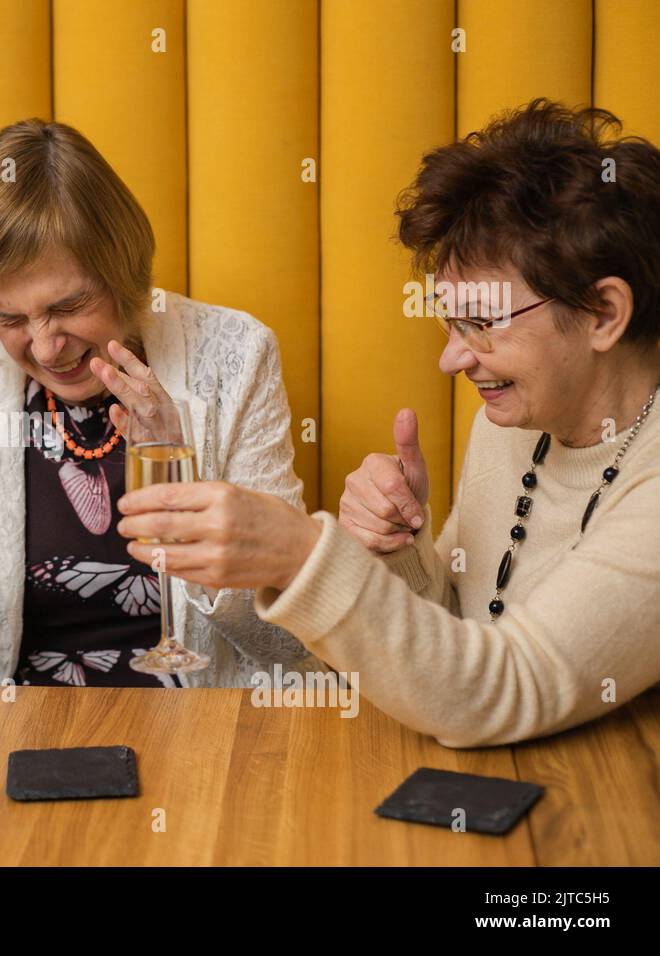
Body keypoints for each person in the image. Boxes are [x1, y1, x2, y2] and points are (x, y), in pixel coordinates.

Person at [114, 99, 660, 746]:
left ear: (603, 314)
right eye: (450, 322)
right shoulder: (519, 419)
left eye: (481, 324)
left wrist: (301, 556)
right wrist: (404, 552)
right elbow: (463, 634)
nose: (452, 358)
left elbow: (502, 690)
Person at [0, 119, 315, 688]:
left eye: (69, 306)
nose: (47, 348)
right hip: (2, 727)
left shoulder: (235, 357)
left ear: (125, 271)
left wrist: (185, 484)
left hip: (197, 727)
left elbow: (287, 639)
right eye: (10, 318)